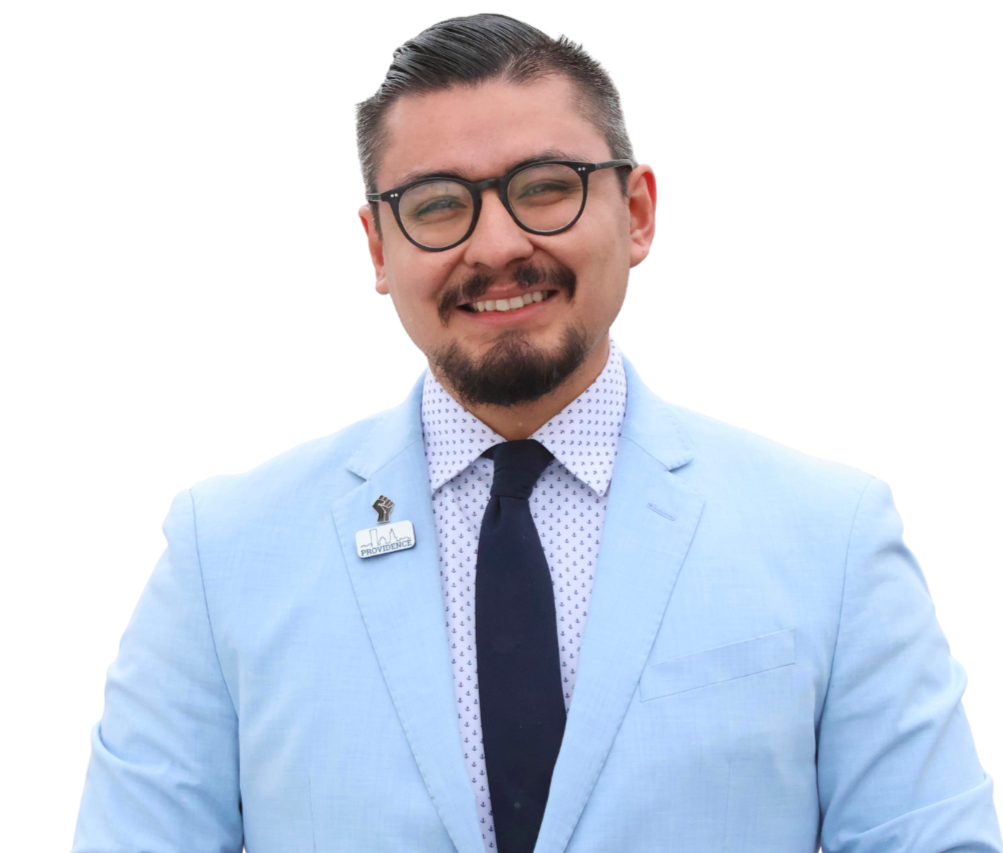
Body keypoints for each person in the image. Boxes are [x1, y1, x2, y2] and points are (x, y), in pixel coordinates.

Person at [71, 13, 1002, 853]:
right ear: (377, 249)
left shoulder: (830, 537)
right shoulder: (225, 553)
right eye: (437, 204)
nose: (495, 246)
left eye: (545, 188)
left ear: (636, 216)